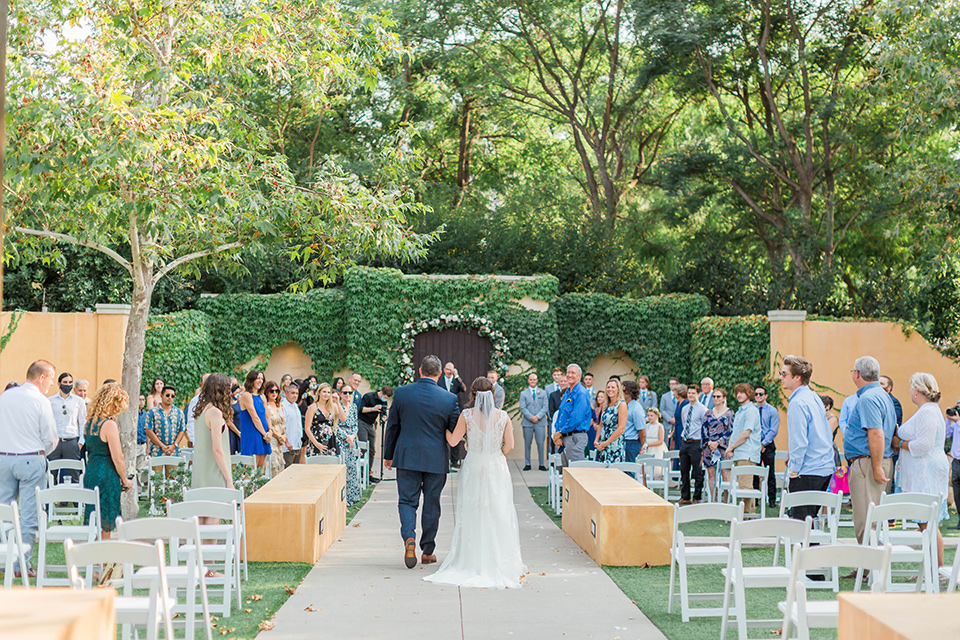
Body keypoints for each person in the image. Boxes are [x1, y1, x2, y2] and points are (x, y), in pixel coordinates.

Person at [424, 376, 523, 589]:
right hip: (496, 466)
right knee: (497, 510)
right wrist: (495, 453)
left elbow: (452, 441)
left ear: (473, 394)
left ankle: (472, 559)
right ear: (493, 394)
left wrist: (444, 428)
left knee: (473, 509)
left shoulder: (467, 415)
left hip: (474, 464)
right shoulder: (503, 416)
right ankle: (497, 560)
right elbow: (510, 446)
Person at [384, 355, 460, 568]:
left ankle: (409, 537)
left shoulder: (402, 393)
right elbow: (454, 430)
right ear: (439, 374)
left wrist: (388, 455)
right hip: (436, 458)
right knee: (432, 503)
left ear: (420, 371)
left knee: (407, 501)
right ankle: (428, 551)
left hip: (407, 456)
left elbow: (393, 426)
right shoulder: (448, 399)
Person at [0, 360, 59, 577]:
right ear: (41, 378)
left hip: (3, 459)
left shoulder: (4, 397)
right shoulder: (40, 401)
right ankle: (20, 565)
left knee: (3, 512)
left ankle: (3, 561)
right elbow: (51, 437)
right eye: (51, 380)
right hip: (30, 458)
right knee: (28, 515)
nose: (51, 384)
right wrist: (40, 453)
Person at [892, 372, 950, 567]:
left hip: (926, 473)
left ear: (916, 391)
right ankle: (931, 567)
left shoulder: (927, 412)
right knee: (925, 523)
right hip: (923, 472)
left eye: (911, 387)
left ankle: (938, 569)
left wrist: (899, 442)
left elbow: (923, 445)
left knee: (928, 524)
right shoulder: (928, 410)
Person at [844, 355, 896, 545]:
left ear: (857, 374)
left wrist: (876, 466)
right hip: (876, 460)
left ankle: (868, 570)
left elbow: (876, 434)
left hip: (868, 462)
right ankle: (868, 569)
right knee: (871, 519)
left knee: (866, 520)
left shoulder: (868, 398)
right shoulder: (883, 395)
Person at [779, 356, 835, 522]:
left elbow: (800, 442)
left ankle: (804, 548)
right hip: (823, 466)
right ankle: (812, 547)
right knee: (811, 521)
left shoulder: (798, 403)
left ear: (797, 377)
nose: (780, 377)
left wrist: (794, 470)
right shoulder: (813, 397)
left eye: (784, 374)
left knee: (801, 524)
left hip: (808, 470)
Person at [82, 382, 132, 539]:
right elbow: (118, 457)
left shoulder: (89, 423)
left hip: (91, 471)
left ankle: (93, 556)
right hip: (106, 474)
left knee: (93, 516)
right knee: (106, 521)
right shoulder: (109, 424)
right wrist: (125, 479)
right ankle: (102, 558)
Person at [191, 374, 235, 498]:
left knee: (202, 515)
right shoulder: (215, 412)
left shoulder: (201, 410)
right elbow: (217, 450)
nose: (230, 393)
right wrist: (229, 480)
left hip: (201, 472)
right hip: (215, 472)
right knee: (215, 513)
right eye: (228, 389)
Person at [726, 383, 762, 515]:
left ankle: (748, 515)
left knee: (746, 487)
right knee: (742, 486)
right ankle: (746, 514)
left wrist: (731, 447)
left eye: (742, 392)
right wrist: (730, 448)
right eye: (737, 393)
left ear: (749, 394)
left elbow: (746, 434)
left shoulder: (751, 411)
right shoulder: (740, 411)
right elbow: (735, 432)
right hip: (738, 453)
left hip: (747, 453)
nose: (739, 395)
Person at [47, 371, 86, 484]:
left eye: (70, 382)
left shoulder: (78, 401)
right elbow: (47, 422)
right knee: (51, 473)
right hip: (55, 441)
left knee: (74, 473)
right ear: (59, 384)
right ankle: (52, 500)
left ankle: (75, 500)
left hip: (72, 441)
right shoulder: (50, 400)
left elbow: (82, 422)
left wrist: (80, 442)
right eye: (65, 382)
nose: (67, 384)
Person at [551, 364, 592, 466]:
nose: (570, 375)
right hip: (565, 438)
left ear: (579, 376)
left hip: (575, 438)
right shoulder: (567, 392)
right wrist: (557, 435)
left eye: (573, 373)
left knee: (576, 473)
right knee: (566, 473)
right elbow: (561, 415)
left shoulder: (581, 393)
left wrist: (560, 432)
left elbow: (576, 418)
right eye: (568, 372)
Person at [702, 387, 734, 499]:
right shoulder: (708, 413)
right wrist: (710, 443)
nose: (716, 398)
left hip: (724, 448)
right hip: (709, 448)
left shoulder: (729, 413)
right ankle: (713, 500)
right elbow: (704, 429)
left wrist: (718, 442)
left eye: (718, 396)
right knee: (711, 474)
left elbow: (731, 431)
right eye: (714, 396)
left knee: (726, 475)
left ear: (724, 398)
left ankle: (726, 501)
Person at [678, 384, 707, 504]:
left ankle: (697, 497)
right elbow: (685, 424)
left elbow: (705, 427)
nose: (690, 395)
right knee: (684, 470)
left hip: (696, 444)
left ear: (698, 395)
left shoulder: (702, 409)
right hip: (685, 442)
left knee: (697, 471)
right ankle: (685, 496)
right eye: (689, 393)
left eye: (693, 393)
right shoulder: (685, 408)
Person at [237, 370, 271, 469]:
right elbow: (254, 417)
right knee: (250, 468)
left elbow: (267, 415)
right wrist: (265, 434)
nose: (260, 381)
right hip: (252, 434)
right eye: (258, 378)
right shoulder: (246, 395)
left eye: (262, 378)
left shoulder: (262, 396)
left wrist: (270, 431)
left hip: (264, 434)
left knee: (260, 468)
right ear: (251, 379)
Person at [359, 385, 393, 483]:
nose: (384, 400)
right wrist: (373, 409)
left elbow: (383, 412)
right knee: (364, 448)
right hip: (362, 422)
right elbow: (361, 409)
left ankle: (368, 473)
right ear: (381, 392)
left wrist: (384, 417)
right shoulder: (368, 396)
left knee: (372, 450)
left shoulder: (383, 401)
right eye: (384, 397)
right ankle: (362, 474)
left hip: (371, 424)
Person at [754, 385, 780, 507]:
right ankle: (754, 499)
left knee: (770, 473)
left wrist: (763, 443)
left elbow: (773, 430)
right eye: (756, 394)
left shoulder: (772, 411)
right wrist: (757, 443)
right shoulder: (752, 410)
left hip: (768, 445)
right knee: (754, 472)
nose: (758, 396)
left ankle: (772, 500)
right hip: (754, 445)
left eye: (761, 394)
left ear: (766, 396)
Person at [144, 385, 187, 459]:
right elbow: (148, 430)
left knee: (173, 471)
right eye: (167, 395)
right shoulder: (152, 412)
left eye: (172, 396)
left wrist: (174, 446)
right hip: (156, 452)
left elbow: (182, 430)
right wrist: (162, 446)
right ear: (161, 395)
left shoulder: (179, 412)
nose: (170, 397)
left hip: (174, 452)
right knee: (156, 471)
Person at [304, 383, 345, 456]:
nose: (326, 394)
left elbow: (343, 418)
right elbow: (307, 428)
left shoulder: (333, 406)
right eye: (324, 392)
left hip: (331, 442)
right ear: (319, 393)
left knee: (331, 465)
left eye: (329, 392)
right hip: (317, 442)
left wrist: (338, 402)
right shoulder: (312, 407)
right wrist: (316, 444)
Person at [337, 384, 361, 505]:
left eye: (350, 393)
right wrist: (346, 437)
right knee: (343, 468)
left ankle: (351, 496)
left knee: (352, 468)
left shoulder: (353, 407)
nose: (347, 395)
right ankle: (342, 498)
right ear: (340, 394)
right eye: (345, 393)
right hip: (341, 440)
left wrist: (352, 436)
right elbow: (335, 425)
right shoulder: (337, 406)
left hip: (352, 441)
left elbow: (356, 424)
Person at [518, 372, 548, 471]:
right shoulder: (523, 393)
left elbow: (545, 407)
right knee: (527, 443)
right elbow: (522, 407)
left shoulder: (543, 393)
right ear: (528, 380)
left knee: (540, 443)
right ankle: (527, 463)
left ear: (537, 380)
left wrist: (538, 417)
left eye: (534, 379)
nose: (532, 381)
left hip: (540, 422)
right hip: (528, 423)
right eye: (531, 379)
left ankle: (541, 464)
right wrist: (531, 417)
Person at [596, 379, 627, 464]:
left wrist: (607, 442)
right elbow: (600, 425)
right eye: (608, 387)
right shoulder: (605, 405)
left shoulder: (622, 404)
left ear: (618, 390)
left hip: (615, 443)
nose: (610, 389)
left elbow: (621, 428)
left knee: (614, 472)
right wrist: (596, 441)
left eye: (613, 387)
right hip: (602, 443)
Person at [262, 381, 287, 478]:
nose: (274, 393)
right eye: (272, 391)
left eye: (276, 391)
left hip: (281, 440)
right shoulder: (266, 407)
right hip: (272, 439)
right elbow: (268, 425)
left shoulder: (279, 405)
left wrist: (284, 436)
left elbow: (283, 424)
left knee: (280, 464)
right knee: (273, 464)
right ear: (267, 392)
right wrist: (279, 436)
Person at [621, 380, 646, 465]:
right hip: (621, 442)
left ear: (629, 392)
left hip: (631, 442)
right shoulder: (623, 405)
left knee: (628, 470)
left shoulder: (636, 408)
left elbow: (642, 431)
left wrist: (640, 445)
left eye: (623, 390)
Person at [281, 383, 304, 467]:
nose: (295, 395)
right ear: (286, 393)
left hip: (297, 445)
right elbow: (282, 426)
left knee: (296, 472)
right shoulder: (283, 406)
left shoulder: (295, 406)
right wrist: (287, 442)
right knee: (287, 472)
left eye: (297, 393)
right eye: (292, 393)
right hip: (288, 447)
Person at [184, 374, 210, 447]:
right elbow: (191, 421)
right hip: (200, 441)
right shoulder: (196, 400)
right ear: (202, 383)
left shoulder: (216, 399)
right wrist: (194, 441)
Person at [947, 403, 960, 530]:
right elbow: (946, 434)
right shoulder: (956, 425)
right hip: (956, 462)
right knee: (957, 493)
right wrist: (948, 419)